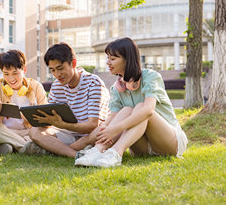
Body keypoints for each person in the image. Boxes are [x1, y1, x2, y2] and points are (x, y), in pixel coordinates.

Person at [75, 37, 188, 167]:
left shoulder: (150, 77)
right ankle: (97, 151)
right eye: (108, 58)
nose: (108, 63)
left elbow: (148, 110)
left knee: (141, 107)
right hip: (142, 147)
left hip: (168, 142)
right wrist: (106, 128)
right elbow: (113, 116)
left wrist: (116, 128)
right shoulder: (116, 88)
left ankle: (115, 154)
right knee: (126, 110)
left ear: (127, 59)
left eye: (112, 59)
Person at [23, 43, 110, 157]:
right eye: (53, 70)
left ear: (73, 63)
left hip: (90, 135)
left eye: (60, 68)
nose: (57, 75)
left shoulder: (93, 83)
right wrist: (44, 120)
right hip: (67, 134)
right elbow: (51, 123)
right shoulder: (57, 86)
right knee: (34, 131)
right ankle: (75, 154)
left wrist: (62, 124)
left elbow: (92, 125)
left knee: (100, 131)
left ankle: (56, 150)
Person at [0, 50, 47, 154]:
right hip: (4, 132)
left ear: (24, 70)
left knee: (43, 133)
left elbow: (45, 122)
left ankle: (6, 147)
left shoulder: (36, 86)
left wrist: (25, 114)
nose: (11, 78)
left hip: (28, 132)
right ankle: (25, 147)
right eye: (6, 74)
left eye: (15, 73)